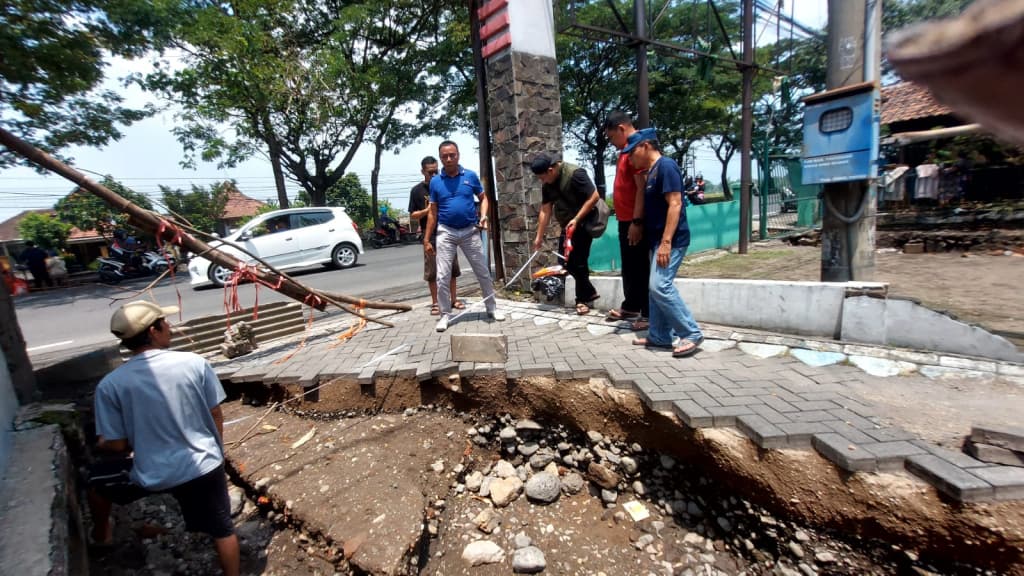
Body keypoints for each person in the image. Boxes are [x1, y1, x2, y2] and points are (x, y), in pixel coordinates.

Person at [88, 301, 240, 575]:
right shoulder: (194, 363)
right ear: (154, 330)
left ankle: (102, 537)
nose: (170, 327)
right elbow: (215, 413)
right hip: (204, 466)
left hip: (154, 473)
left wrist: (103, 443)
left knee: (97, 483)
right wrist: (217, 453)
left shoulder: (110, 385)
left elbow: (117, 445)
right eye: (165, 323)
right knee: (223, 530)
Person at [624, 128, 704, 358]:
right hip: (656, 239)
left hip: (672, 239)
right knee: (654, 288)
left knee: (661, 286)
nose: (630, 158)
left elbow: (676, 204)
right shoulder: (652, 172)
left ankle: (690, 332)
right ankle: (659, 335)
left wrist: (666, 242)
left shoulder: (666, 166)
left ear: (646, 146)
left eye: (632, 152)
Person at [424, 140, 505, 332]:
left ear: (458, 155)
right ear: (441, 158)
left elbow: (484, 199)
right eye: (445, 156)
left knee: (482, 272)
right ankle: (445, 315)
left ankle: (491, 307)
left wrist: (484, 216)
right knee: (443, 276)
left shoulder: (470, 176)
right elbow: (432, 212)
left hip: (470, 230)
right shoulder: (436, 182)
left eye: (452, 155)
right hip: (446, 231)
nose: (449, 159)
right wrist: (427, 239)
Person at [530, 153, 602, 315]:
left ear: (551, 170)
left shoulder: (575, 174)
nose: (542, 181)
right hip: (568, 224)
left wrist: (576, 219)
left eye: (542, 177)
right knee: (565, 262)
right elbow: (545, 210)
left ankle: (582, 300)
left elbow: (594, 196)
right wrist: (539, 236)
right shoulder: (548, 184)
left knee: (579, 261)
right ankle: (589, 292)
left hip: (584, 222)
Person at [603, 111, 650, 329]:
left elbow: (642, 187)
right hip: (624, 219)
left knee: (640, 267)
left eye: (612, 137)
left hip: (634, 220)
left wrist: (637, 222)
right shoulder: (624, 150)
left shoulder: (638, 148)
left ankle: (648, 314)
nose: (612, 143)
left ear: (622, 129)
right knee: (630, 267)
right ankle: (631, 306)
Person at [408, 155, 463, 315]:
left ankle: (454, 299)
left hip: (448, 230)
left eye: (435, 171)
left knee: (452, 268)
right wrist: (428, 210)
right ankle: (435, 303)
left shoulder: (444, 185)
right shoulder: (417, 190)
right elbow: (413, 214)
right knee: (433, 271)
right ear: (422, 171)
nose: (433, 175)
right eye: (429, 172)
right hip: (429, 234)